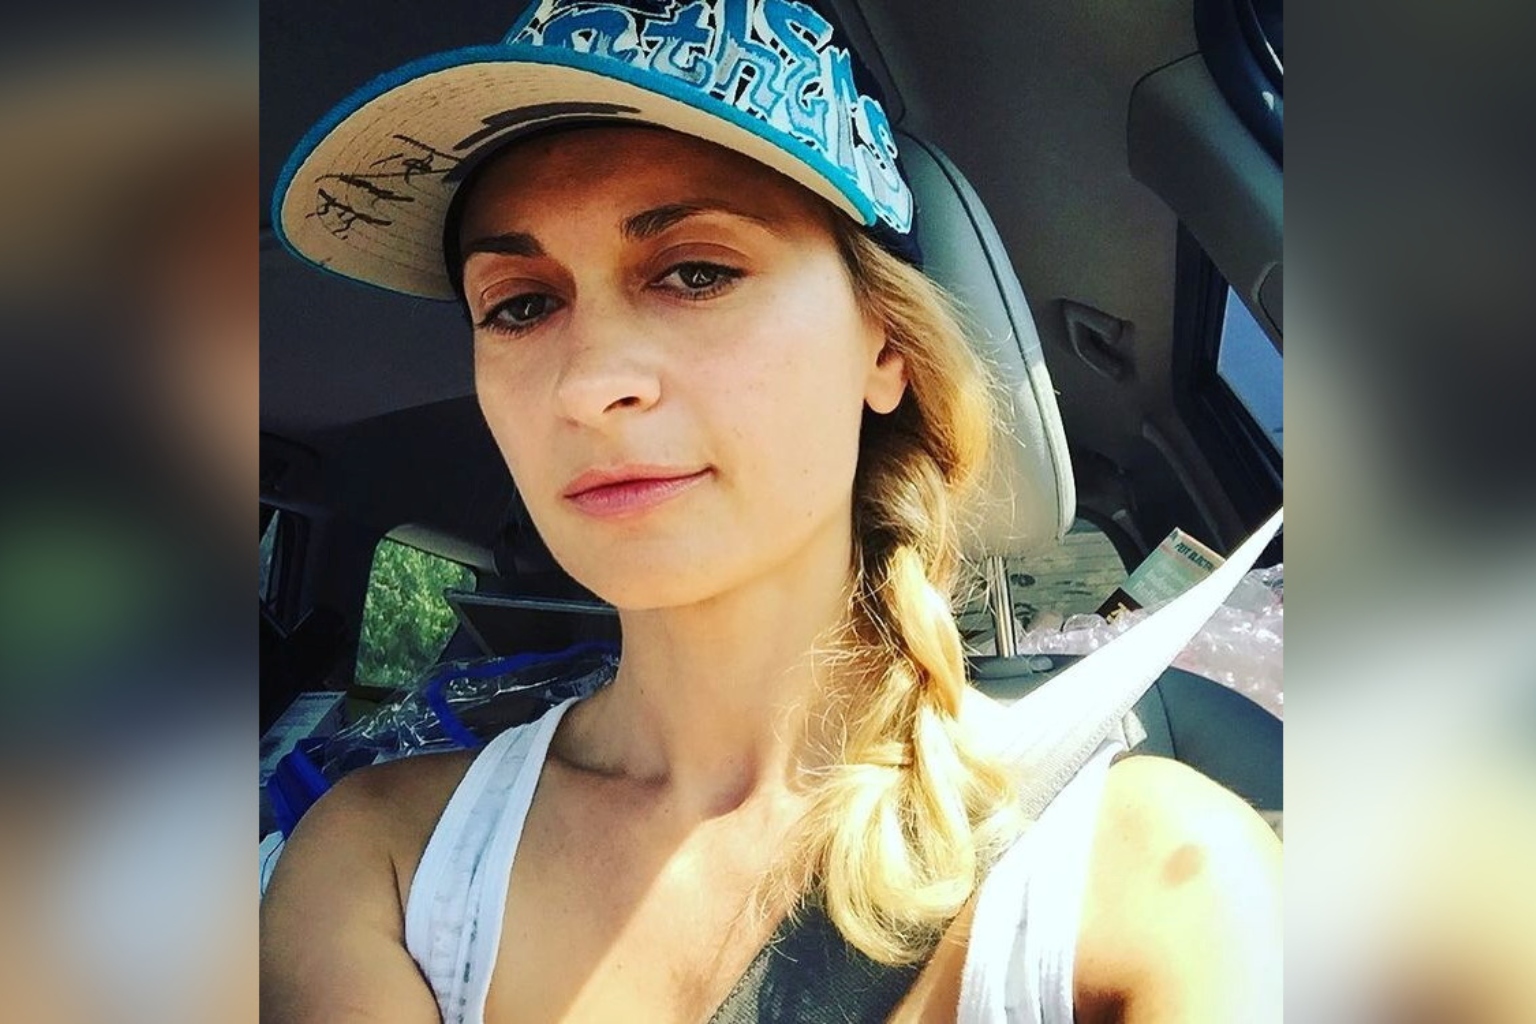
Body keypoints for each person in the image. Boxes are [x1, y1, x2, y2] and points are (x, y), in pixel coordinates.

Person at [260, 2, 1281, 1021]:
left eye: (696, 272)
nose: (588, 384)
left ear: (885, 346)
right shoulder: (381, 863)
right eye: (520, 304)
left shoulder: (1153, 881)